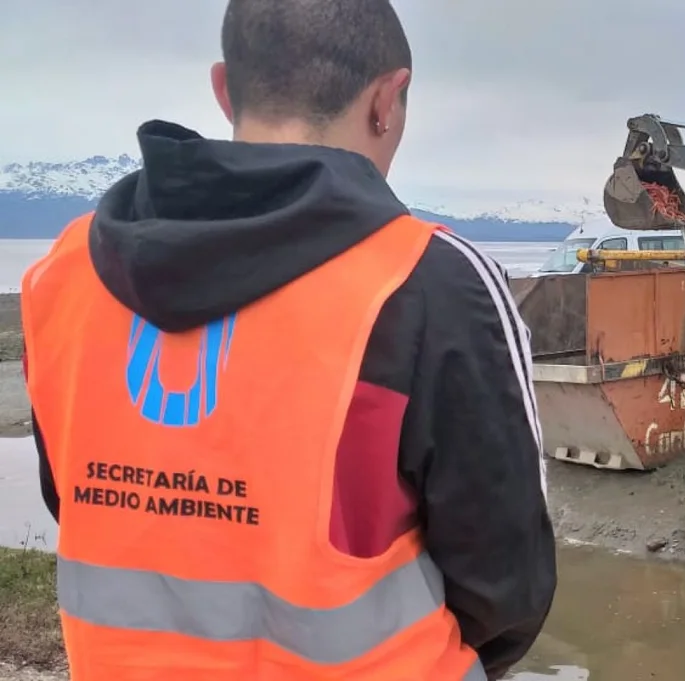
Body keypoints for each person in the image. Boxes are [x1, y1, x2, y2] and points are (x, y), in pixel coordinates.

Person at [19, 1, 556, 679]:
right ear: (387, 100)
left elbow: (71, 499)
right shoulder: (424, 282)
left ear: (224, 89)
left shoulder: (63, 273)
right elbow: (507, 582)